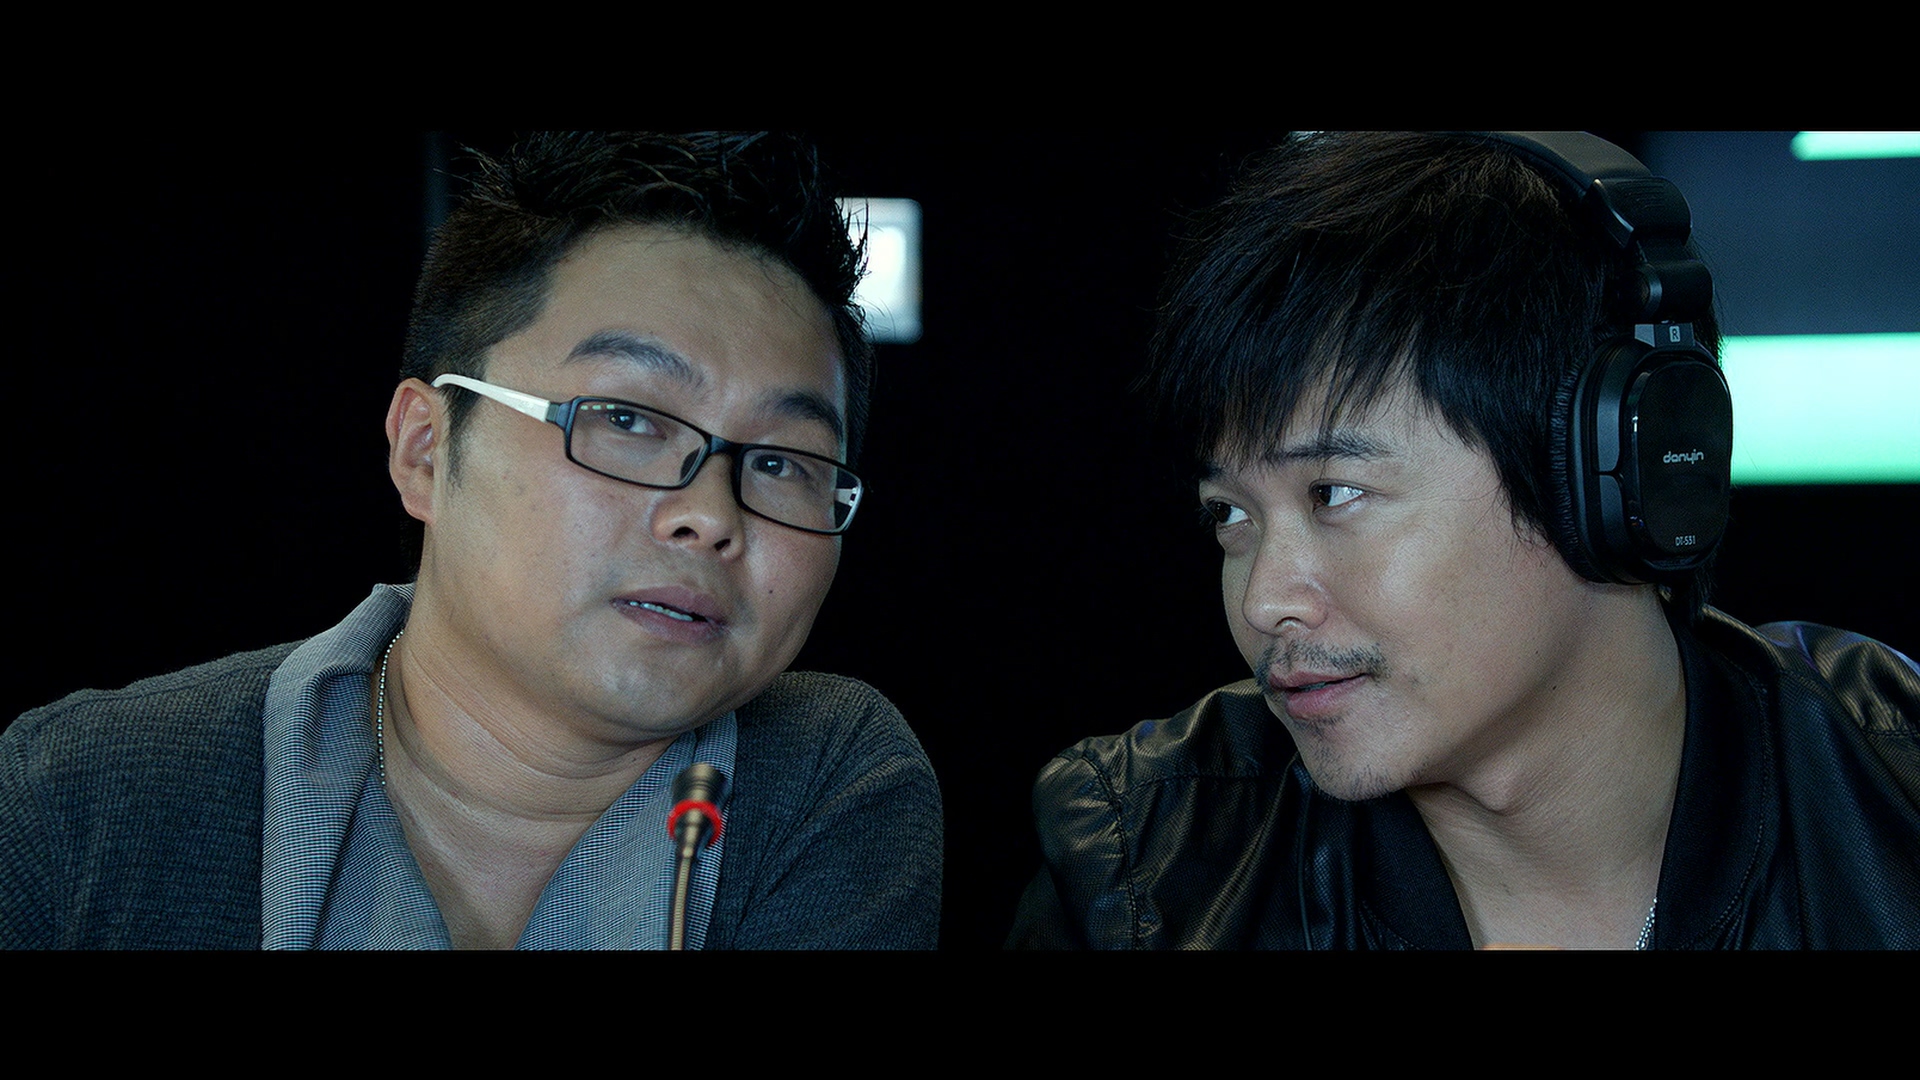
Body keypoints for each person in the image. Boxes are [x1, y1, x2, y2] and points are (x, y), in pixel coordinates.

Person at [3, 131, 942, 950]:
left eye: (781, 463)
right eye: (626, 419)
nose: (712, 515)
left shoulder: (823, 780)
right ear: (424, 450)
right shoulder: (85, 793)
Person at [1007, 131, 1919, 949]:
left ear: (1609, 477)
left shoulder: (1892, 788)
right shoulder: (1143, 871)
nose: (1263, 599)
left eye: (1335, 494)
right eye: (1231, 515)